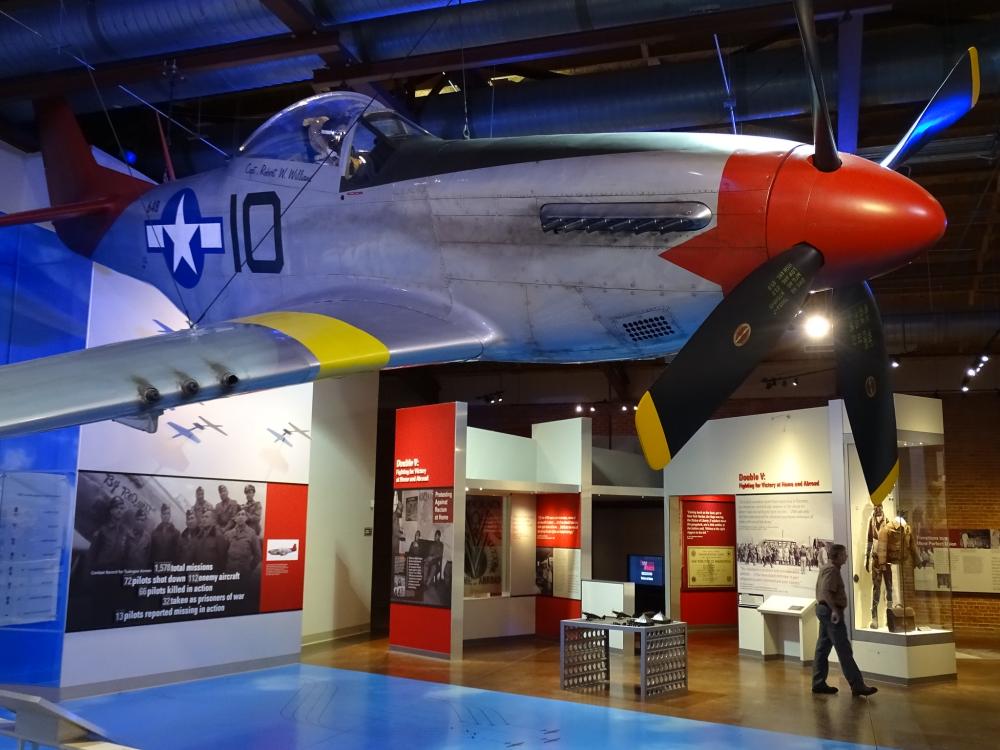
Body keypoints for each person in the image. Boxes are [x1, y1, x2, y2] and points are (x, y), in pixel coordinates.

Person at [812, 543, 878, 697]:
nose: (846, 556)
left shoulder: (826, 568)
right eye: (844, 554)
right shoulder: (832, 570)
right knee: (843, 649)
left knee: (822, 648)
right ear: (838, 556)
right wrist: (834, 610)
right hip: (830, 612)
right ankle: (857, 685)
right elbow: (826, 592)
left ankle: (818, 682)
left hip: (825, 611)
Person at [225, 509, 261, 575]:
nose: (240, 517)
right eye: (238, 515)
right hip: (230, 570)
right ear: (235, 518)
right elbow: (223, 553)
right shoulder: (228, 534)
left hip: (244, 571)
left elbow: (258, 555)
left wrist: (250, 568)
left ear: (246, 518)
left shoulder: (252, 533)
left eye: (243, 514)